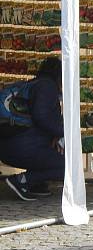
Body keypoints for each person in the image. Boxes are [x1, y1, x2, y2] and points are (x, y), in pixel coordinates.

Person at [0, 58, 64, 200]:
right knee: (67, 165)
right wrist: (63, 133)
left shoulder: (31, 84)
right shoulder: (47, 86)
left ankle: (36, 184)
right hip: (22, 146)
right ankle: (22, 181)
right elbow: (42, 117)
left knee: (50, 153)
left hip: (9, 145)